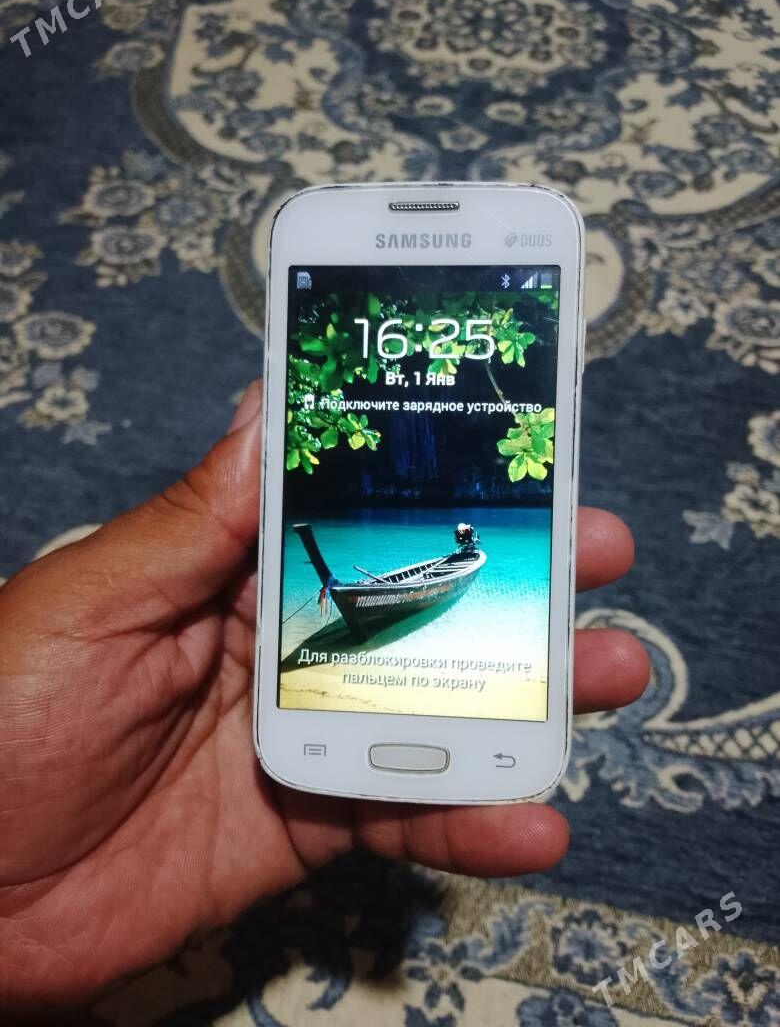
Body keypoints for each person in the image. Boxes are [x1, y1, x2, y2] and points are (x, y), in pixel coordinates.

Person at [0, 381, 649, 1013]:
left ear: (463, 547)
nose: (459, 550)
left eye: (460, 548)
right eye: (459, 546)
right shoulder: (456, 557)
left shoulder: (463, 558)